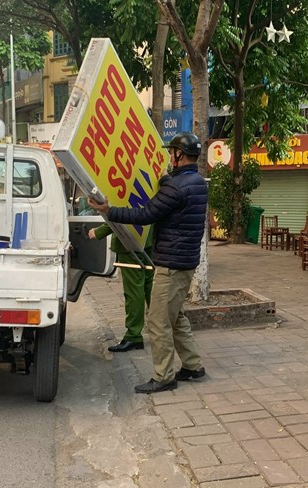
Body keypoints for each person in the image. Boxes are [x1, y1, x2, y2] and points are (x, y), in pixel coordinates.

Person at [87, 132, 207, 394]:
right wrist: (165, 180)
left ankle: (164, 376)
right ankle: (193, 366)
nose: (168, 157)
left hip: (171, 264)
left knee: (157, 321)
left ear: (178, 155)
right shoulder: (197, 182)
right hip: (186, 261)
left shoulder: (175, 187)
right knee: (175, 318)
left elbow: (145, 215)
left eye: (171, 152)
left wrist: (108, 210)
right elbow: (174, 195)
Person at [87, 224, 154, 352]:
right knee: (150, 286)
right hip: (149, 238)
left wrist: (99, 232)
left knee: (134, 291)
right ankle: (162, 329)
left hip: (130, 242)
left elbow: (123, 211)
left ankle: (133, 335)